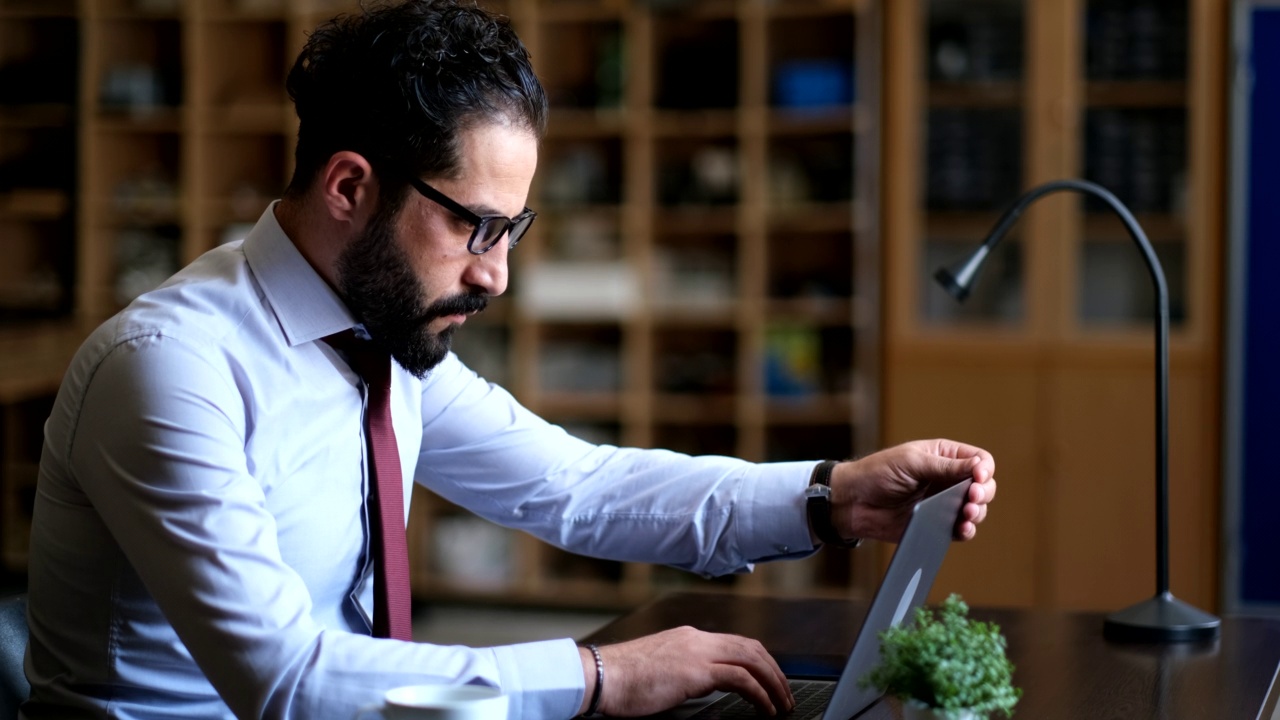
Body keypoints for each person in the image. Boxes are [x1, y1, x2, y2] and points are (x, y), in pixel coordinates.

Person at [23, 2, 997, 718]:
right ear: (350, 187)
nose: (494, 277)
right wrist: (597, 676)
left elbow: (576, 487)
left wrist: (828, 497)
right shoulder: (169, 371)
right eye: (475, 227)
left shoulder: (378, 342)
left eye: (514, 229)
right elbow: (286, 677)